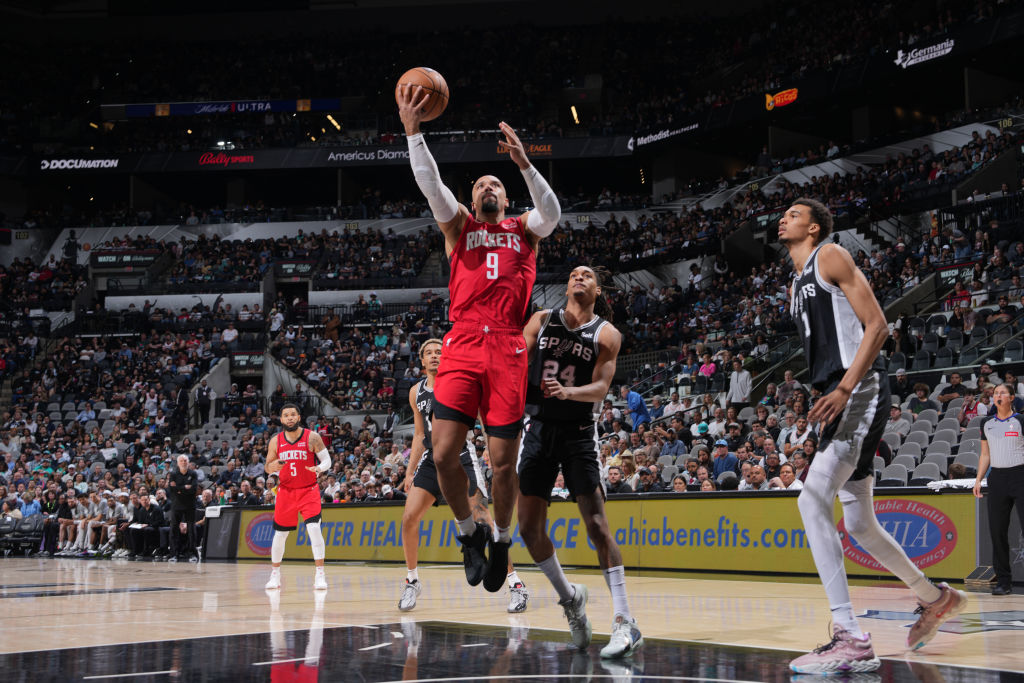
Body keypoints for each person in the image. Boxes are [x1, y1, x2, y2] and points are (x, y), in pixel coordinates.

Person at [780, 197, 966, 674]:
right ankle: (935, 598)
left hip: (859, 389)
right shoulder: (795, 283)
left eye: (795, 214)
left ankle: (850, 637)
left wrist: (845, 388)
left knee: (810, 500)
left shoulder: (830, 255)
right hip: (839, 394)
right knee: (861, 524)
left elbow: (878, 325)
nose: (784, 218)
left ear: (815, 227)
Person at [398, 84, 560, 592]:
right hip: (464, 343)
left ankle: (503, 540)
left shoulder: (525, 229)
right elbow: (432, 186)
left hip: (508, 346)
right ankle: (470, 533)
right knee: (444, 452)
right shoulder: (459, 227)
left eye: (496, 184)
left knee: (502, 464)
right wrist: (413, 134)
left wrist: (525, 163)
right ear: (471, 199)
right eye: (481, 185)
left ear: (507, 198)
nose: (489, 187)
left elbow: (552, 213)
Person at [518, 266, 642, 658]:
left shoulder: (607, 334)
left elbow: (602, 387)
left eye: (587, 275)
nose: (578, 277)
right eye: (573, 274)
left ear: (598, 289)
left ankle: (625, 621)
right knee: (528, 529)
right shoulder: (541, 319)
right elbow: (515, 362)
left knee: (597, 525)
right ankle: (570, 599)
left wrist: (568, 392)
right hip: (538, 429)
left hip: (578, 433)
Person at [398, 338, 528, 614]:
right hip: (430, 460)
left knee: (484, 520)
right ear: (421, 360)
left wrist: (490, 449)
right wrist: (409, 471)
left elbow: (484, 419)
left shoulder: (460, 384)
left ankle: (515, 583)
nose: (434, 356)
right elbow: (419, 434)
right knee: (409, 518)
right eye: (429, 353)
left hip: (462, 456)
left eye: (439, 352)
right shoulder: (415, 392)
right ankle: (412, 580)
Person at [263, 403, 332, 592]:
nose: (290, 418)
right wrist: (271, 467)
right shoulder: (275, 441)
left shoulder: (312, 437)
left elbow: (327, 460)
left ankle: (320, 574)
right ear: (281, 419)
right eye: (286, 415)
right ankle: (275, 574)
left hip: (308, 490)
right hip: (286, 492)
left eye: (293, 414)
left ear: (299, 417)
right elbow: (267, 466)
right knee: (280, 534)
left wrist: (319, 468)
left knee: (314, 529)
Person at [973, 383, 1024, 596]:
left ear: (1012, 397)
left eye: (1002, 392)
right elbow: (985, 454)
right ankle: (1004, 581)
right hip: (997, 479)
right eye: (995, 393)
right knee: (997, 531)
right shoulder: (986, 423)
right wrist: (978, 479)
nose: (998, 395)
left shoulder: (1020, 420)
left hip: (1020, 475)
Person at [167, 454, 199, 562]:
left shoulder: (193, 473)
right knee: (173, 529)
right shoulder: (173, 474)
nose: (183, 462)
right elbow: (171, 489)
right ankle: (173, 554)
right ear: (178, 463)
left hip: (190, 505)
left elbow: (193, 489)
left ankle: (192, 554)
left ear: (188, 462)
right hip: (177, 505)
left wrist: (179, 489)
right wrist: (185, 488)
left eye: (185, 460)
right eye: (181, 461)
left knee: (191, 530)